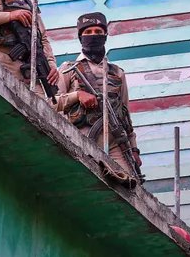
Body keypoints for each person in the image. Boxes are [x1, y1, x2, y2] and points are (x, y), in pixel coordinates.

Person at [54, 12, 140, 178]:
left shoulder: (117, 73)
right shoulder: (68, 68)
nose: (93, 36)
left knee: (129, 183)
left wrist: (134, 148)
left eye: (98, 32)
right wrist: (77, 95)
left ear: (105, 36)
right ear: (80, 37)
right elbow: (51, 103)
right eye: (88, 32)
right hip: (81, 135)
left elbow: (125, 114)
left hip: (115, 142)